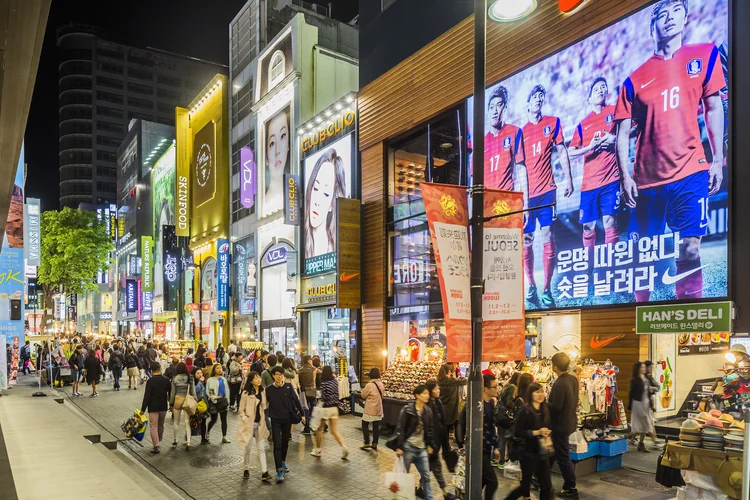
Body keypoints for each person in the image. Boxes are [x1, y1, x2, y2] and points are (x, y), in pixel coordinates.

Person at [615, 0, 724, 302]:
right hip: (647, 181)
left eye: (676, 11)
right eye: (662, 15)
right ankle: (640, 316)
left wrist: (717, 161)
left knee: (690, 247)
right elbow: (621, 134)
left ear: (686, 18)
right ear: (652, 29)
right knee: (641, 257)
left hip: (691, 170)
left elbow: (714, 106)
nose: (669, 18)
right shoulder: (634, 79)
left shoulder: (704, 55)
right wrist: (626, 177)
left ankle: (686, 318)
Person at [522, 84, 573, 308]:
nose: (538, 100)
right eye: (534, 98)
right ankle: (531, 285)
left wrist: (569, 179)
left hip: (547, 191)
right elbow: (519, 166)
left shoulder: (553, 122)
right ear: (527, 104)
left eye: (541, 97)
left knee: (547, 236)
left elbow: (562, 150)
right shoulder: (520, 132)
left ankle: (546, 289)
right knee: (527, 240)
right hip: (527, 196)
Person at [568, 77, 620, 249]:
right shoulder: (583, 125)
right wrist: (589, 147)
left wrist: (614, 138)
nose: (600, 90)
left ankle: (611, 266)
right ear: (589, 97)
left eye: (603, 87)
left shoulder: (616, 111)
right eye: (596, 88)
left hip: (610, 179)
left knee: (609, 221)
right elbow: (570, 153)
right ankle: (589, 268)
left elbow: (633, 126)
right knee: (587, 226)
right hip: (589, 184)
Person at [503, 383, 553, 500]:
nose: (540, 395)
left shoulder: (544, 410)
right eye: (537, 392)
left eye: (541, 392)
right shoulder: (524, 411)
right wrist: (537, 432)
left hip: (542, 452)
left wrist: (547, 433)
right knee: (525, 485)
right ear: (530, 394)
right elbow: (518, 432)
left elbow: (548, 426)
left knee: (546, 485)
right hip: (528, 452)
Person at [482, 85, 528, 199]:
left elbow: (521, 168)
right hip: (486, 204)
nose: (495, 111)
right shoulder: (480, 143)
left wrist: (526, 204)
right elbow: (474, 180)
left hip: (507, 201)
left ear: (505, 107)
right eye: (491, 107)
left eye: (499, 106)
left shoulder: (514, 132)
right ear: (487, 110)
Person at [304, 147, 347, 258]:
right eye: (316, 188)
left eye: (326, 194)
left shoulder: (337, 247)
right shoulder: (303, 244)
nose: (317, 202)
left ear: (332, 204)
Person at [394, 385, 435, 500]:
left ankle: (429, 498)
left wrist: (430, 445)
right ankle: (402, 497)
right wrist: (400, 446)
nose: (427, 396)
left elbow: (430, 430)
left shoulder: (428, 411)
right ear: (417, 395)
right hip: (408, 447)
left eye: (428, 393)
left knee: (426, 476)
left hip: (421, 448)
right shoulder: (407, 409)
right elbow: (401, 428)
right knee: (404, 475)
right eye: (424, 393)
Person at [548, 352, 579, 499]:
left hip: (560, 425)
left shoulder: (559, 384)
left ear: (554, 366)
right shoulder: (573, 379)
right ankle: (541, 476)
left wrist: (543, 404)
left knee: (562, 456)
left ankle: (570, 487)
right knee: (554, 452)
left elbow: (556, 407)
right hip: (569, 421)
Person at [266, 366, 304, 483]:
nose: (279, 376)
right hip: (275, 420)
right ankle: (279, 470)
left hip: (287, 418)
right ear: (273, 375)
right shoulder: (268, 389)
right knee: (277, 444)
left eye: (281, 374)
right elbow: (264, 404)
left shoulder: (288, 387)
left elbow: (297, 401)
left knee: (285, 442)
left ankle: (282, 461)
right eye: (277, 374)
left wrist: (302, 414)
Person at [425, 379, 456, 500]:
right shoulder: (427, 405)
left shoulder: (438, 403)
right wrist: (429, 443)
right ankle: (445, 492)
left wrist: (445, 443)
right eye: (436, 388)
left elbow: (442, 423)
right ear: (430, 390)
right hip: (429, 443)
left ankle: (419, 487)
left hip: (437, 441)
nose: (439, 390)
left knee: (428, 467)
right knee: (435, 467)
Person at [237, 371, 271, 482]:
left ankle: (264, 472)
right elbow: (241, 409)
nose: (259, 380)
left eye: (259, 378)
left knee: (261, 448)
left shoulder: (262, 391)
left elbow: (264, 406)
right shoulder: (246, 393)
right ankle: (246, 468)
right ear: (251, 381)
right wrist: (244, 418)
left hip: (260, 423)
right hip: (249, 424)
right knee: (248, 448)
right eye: (256, 378)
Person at [310, 365, 348, 459]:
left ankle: (318, 450)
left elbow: (323, 397)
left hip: (326, 408)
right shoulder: (335, 381)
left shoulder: (324, 383)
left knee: (319, 430)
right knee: (334, 430)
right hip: (335, 408)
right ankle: (344, 447)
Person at [264, 108, 291, 212]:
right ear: (266, 156)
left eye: (283, 136)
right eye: (272, 143)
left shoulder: (292, 197)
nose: (277, 151)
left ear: (288, 145)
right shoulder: (265, 205)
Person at [141, 361, 170, 454]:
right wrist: (172, 404)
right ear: (160, 369)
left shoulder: (150, 381)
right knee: (161, 424)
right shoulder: (166, 379)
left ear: (151, 370)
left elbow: (147, 396)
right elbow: (170, 392)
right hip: (163, 405)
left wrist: (143, 409)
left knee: (153, 426)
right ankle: (159, 440)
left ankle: (156, 445)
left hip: (153, 406)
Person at [629, 362, 656, 452]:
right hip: (638, 403)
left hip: (646, 402)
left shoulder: (647, 378)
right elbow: (631, 393)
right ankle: (631, 436)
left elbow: (649, 391)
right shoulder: (635, 380)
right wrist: (629, 405)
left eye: (644, 367)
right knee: (644, 422)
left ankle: (640, 443)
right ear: (638, 369)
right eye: (642, 367)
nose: (644, 369)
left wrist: (652, 391)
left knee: (645, 424)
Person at [170, 362, 196, 450]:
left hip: (177, 399)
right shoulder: (190, 378)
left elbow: (172, 393)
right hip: (187, 400)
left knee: (176, 422)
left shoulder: (175, 378)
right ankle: (188, 441)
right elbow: (193, 391)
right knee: (187, 422)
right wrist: (195, 400)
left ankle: (175, 439)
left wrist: (171, 403)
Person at [359, 367, 385, 451]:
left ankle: (366, 442)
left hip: (370, 409)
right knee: (376, 426)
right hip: (378, 409)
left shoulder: (369, 385)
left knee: (364, 424)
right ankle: (375, 443)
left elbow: (363, 395)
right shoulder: (381, 384)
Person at [438, 363, 467, 434]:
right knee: (457, 426)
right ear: (448, 371)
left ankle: (445, 444)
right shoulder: (452, 381)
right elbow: (465, 381)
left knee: (445, 429)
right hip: (452, 407)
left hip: (442, 407)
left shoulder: (438, 381)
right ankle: (459, 444)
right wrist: (459, 376)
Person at [206, 363, 231, 444]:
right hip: (214, 402)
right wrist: (214, 397)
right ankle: (208, 432)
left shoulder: (224, 379)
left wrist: (228, 400)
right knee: (214, 419)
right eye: (217, 368)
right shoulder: (210, 380)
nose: (219, 369)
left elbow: (227, 390)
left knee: (224, 420)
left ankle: (224, 436)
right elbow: (208, 391)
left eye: (220, 368)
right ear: (214, 370)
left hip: (223, 401)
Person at [298, 355, 318, 435]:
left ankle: (306, 428)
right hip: (312, 390)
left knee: (305, 409)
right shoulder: (314, 369)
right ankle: (314, 426)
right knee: (314, 408)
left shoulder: (300, 370)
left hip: (304, 391)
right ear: (309, 361)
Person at [644, 361, 663, 447]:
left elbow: (658, 387)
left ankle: (631, 437)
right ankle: (655, 441)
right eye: (650, 367)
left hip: (648, 403)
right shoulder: (642, 378)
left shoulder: (649, 377)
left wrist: (652, 388)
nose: (652, 369)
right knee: (650, 423)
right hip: (643, 404)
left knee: (645, 424)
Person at [194, 368, 209, 444]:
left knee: (203, 422)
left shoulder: (204, 382)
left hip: (203, 405)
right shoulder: (193, 382)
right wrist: (200, 382)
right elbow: (195, 391)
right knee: (193, 421)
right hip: (195, 405)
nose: (200, 375)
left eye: (201, 373)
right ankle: (188, 437)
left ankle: (203, 438)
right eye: (198, 373)